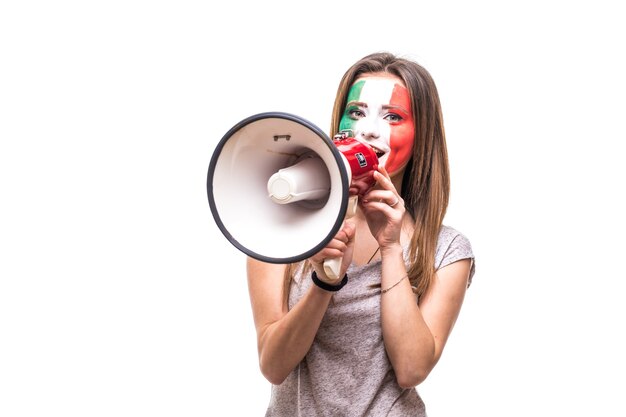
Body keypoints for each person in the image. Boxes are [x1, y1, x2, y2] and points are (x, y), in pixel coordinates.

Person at [247, 52, 475, 416]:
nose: (368, 129)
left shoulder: (446, 250)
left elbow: (412, 369)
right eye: (356, 112)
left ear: (421, 137)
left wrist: (390, 248)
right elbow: (274, 367)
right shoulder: (281, 230)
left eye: (392, 116)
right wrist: (324, 282)